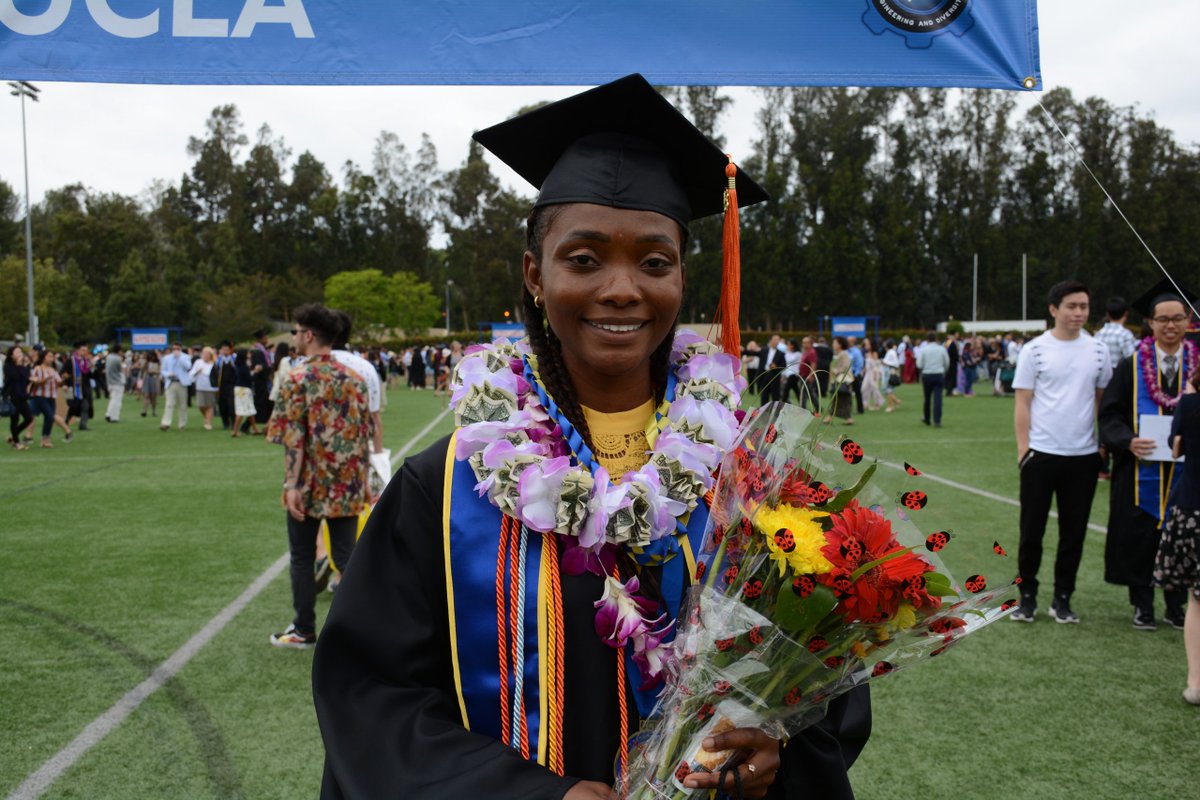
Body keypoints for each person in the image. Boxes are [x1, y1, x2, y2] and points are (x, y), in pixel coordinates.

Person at [312, 75, 868, 800]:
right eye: (583, 259)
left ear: (682, 277)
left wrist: (776, 748)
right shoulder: (445, 486)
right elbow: (372, 699)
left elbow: (827, 678)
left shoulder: (752, 476)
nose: (620, 287)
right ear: (534, 275)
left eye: (654, 261)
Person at [266, 303, 373, 650]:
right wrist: (363, 479)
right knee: (347, 558)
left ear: (308, 335)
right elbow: (363, 433)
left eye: (296, 332)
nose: (294, 338)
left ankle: (304, 628)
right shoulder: (354, 379)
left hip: (310, 482)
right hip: (346, 480)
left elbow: (294, 439)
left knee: (301, 556)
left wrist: (291, 484)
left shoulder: (296, 378)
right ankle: (367, 627)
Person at [1012, 280, 1112, 624]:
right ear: (1054, 309)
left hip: (1083, 457)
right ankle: (1027, 597)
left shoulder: (1099, 350)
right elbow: (1022, 401)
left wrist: (1101, 447)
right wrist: (1024, 450)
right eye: (1072, 306)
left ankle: (1062, 598)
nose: (1079, 312)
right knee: (1031, 532)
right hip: (1041, 455)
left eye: (1084, 306)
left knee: (1074, 534)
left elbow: (1102, 402)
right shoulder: (1034, 350)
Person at [1100, 279, 1197, 630]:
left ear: (1188, 321)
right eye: (1163, 319)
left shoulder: (1198, 365)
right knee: (1139, 536)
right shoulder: (1130, 366)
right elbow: (1109, 413)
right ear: (1151, 323)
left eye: (1177, 318)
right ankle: (1142, 605)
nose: (1170, 325)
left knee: (1181, 536)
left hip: (1190, 472)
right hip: (1139, 470)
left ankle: (1176, 606)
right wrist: (1127, 440)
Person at [1153, 368, 1200, 703]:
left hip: (1192, 508)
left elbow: (1174, 448)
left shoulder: (1190, 402)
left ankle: (1196, 681)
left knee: (1197, 600)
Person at [27, 349, 71, 447]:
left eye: (52, 357)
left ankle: (45, 439)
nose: (51, 359)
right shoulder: (38, 369)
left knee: (48, 418)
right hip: (40, 396)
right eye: (49, 356)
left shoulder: (53, 370)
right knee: (49, 416)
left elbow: (58, 383)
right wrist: (46, 379)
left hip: (51, 397)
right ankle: (44, 439)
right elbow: (36, 382)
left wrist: (64, 380)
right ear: (43, 358)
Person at [3, 345, 33, 450]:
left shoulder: (23, 367)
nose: (20, 354)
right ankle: (17, 443)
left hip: (22, 396)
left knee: (29, 418)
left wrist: (23, 366)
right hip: (12, 396)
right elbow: (14, 376)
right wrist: (19, 364)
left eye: (21, 352)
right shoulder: (8, 366)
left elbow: (26, 377)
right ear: (11, 355)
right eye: (17, 352)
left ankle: (13, 435)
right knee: (14, 420)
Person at [916, 331, 949, 427]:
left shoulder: (924, 350)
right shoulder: (941, 349)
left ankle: (927, 418)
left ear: (927, 339)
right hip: (939, 374)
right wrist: (943, 370)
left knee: (927, 398)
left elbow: (919, 364)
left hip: (927, 375)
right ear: (936, 338)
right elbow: (946, 362)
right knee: (938, 398)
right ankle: (937, 420)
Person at [1096, 296, 1138, 370]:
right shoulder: (1125, 335)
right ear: (1126, 314)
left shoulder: (1098, 334)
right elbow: (1132, 361)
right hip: (1118, 377)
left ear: (1107, 314)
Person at [159, 342, 192, 431]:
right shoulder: (167, 358)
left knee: (182, 405)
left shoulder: (186, 357)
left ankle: (182, 424)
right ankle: (166, 423)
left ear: (180, 349)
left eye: (177, 349)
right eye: (174, 349)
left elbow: (188, 367)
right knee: (169, 404)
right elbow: (163, 370)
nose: (175, 350)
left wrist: (180, 358)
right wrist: (168, 374)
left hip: (182, 383)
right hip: (171, 382)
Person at [248, 328, 276, 431]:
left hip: (265, 381)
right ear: (261, 339)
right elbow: (259, 366)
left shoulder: (263, 350)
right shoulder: (257, 351)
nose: (267, 339)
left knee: (268, 404)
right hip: (261, 381)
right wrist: (268, 368)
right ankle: (246, 425)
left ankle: (268, 426)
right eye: (265, 337)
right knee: (260, 404)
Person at [63, 341, 93, 431]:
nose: (84, 352)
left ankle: (83, 425)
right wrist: (65, 384)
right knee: (73, 406)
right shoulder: (70, 361)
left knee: (86, 406)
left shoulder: (87, 362)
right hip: (73, 388)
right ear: (78, 350)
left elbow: (91, 375)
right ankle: (66, 420)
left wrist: (93, 368)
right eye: (83, 350)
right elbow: (63, 373)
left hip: (85, 388)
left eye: (86, 351)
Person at [232, 347, 259, 437]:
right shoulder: (244, 366)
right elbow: (249, 378)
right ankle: (235, 430)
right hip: (244, 389)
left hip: (239, 388)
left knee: (249, 409)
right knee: (242, 410)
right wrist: (255, 372)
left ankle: (255, 429)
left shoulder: (239, 365)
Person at [189, 346, 217, 431]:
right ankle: (207, 418)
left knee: (209, 405)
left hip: (210, 388)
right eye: (204, 354)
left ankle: (208, 423)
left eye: (207, 354)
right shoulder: (198, 362)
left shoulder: (214, 363)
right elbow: (191, 373)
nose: (205, 355)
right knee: (200, 405)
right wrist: (197, 371)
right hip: (200, 387)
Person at [211, 341, 237, 430]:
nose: (225, 351)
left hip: (232, 386)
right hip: (221, 386)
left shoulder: (234, 360)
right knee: (222, 405)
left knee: (231, 405)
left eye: (227, 350)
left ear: (230, 350)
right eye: (223, 350)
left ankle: (234, 423)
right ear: (221, 350)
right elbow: (213, 374)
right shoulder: (218, 361)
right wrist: (214, 385)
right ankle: (225, 423)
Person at [829, 336, 854, 425]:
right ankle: (830, 416)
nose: (833, 344)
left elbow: (846, 366)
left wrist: (837, 371)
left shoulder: (844, 354)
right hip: (838, 380)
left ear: (840, 344)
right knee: (836, 399)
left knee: (843, 399)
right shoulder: (838, 354)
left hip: (843, 380)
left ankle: (848, 418)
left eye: (835, 343)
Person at [759, 333, 786, 406]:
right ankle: (763, 412)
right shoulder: (764, 350)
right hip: (764, 375)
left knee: (775, 397)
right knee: (764, 396)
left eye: (778, 340)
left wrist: (776, 366)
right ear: (770, 340)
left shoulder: (781, 353)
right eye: (775, 339)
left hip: (775, 377)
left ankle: (775, 414)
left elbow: (784, 366)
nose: (776, 341)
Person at [103, 345, 126, 422]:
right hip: (117, 382)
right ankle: (114, 417)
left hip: (110, 381)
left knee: (112, 399)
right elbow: (120, 369)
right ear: (119, 351)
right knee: (117, 401)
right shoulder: (118, 359)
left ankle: (108, 414)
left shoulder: (108, 357)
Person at [861, 338, 884, 411]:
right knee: (864, 388)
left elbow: (875, 366)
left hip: (873, 373)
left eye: (868, 344)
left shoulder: (874, 354)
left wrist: (874, 375)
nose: (866, 345)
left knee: (874, 388)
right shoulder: (867, 354)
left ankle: (878, 403)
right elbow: (866, 365)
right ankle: (865, 403)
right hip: (868, 373)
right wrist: (863, 371)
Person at [881, 338, 901, 413]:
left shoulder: (891, 352)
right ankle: (896, 401)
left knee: (889, 390)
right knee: (887, 389)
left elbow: (896, 363)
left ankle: (890, 406)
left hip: (890, 373)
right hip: (888, 372)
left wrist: (885, 363)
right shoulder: (890, 352)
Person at [847, 336, 865, 414]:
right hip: (848, 374)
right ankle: (848, 408)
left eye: (849, 341)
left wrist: (856, 374)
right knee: (847, 392)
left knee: (857, 392)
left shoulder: (856, 351)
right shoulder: (847, 351)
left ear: (853, 342)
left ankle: (860, 409)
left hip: (854, 374)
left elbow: (860, 363)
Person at [141, 351, 161, 417]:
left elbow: (159, 371)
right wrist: (146, 362)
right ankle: (144, 411)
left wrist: (153, 371)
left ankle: (154, 411)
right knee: (146, 395)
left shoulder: (158, 363)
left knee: (153, 396)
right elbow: (143, 369)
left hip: (154, 379)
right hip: (147, 378)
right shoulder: (147, 362)